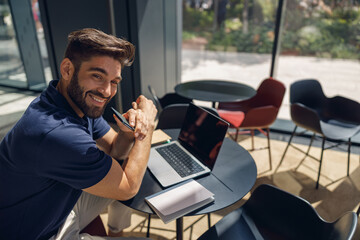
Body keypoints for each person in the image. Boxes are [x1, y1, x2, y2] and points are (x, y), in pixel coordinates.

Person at [0, 28, 157, 239]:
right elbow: (128, 187)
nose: (107, 91)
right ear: (67, 70)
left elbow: (114, 148)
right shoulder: (58, 132)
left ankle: (115, 231)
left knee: (131, 167)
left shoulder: (72, 101)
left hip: (58, 206)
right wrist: (146, 128)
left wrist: (129, 132)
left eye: (114, 82)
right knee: (131, 179)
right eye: (97, 76)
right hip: (38, 232)